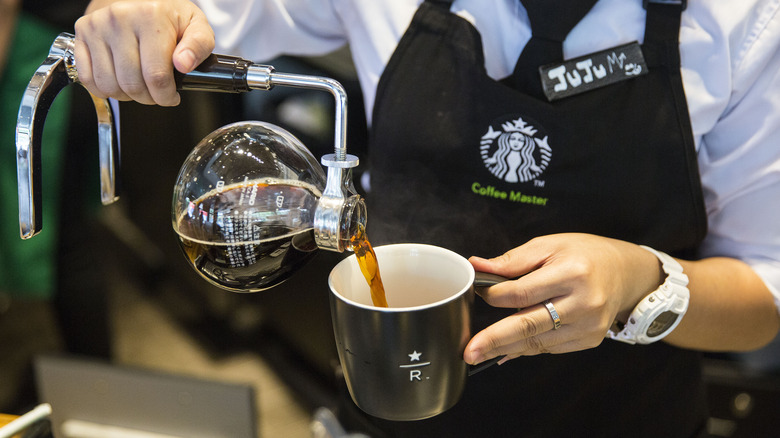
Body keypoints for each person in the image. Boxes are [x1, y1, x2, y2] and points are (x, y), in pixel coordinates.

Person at [70, 0, 780, 436]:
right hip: (383, 420)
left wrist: (644, 283)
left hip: (625, 420)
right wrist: (140, 14)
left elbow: (763, 297)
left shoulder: (739, 21)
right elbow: (191, 14)